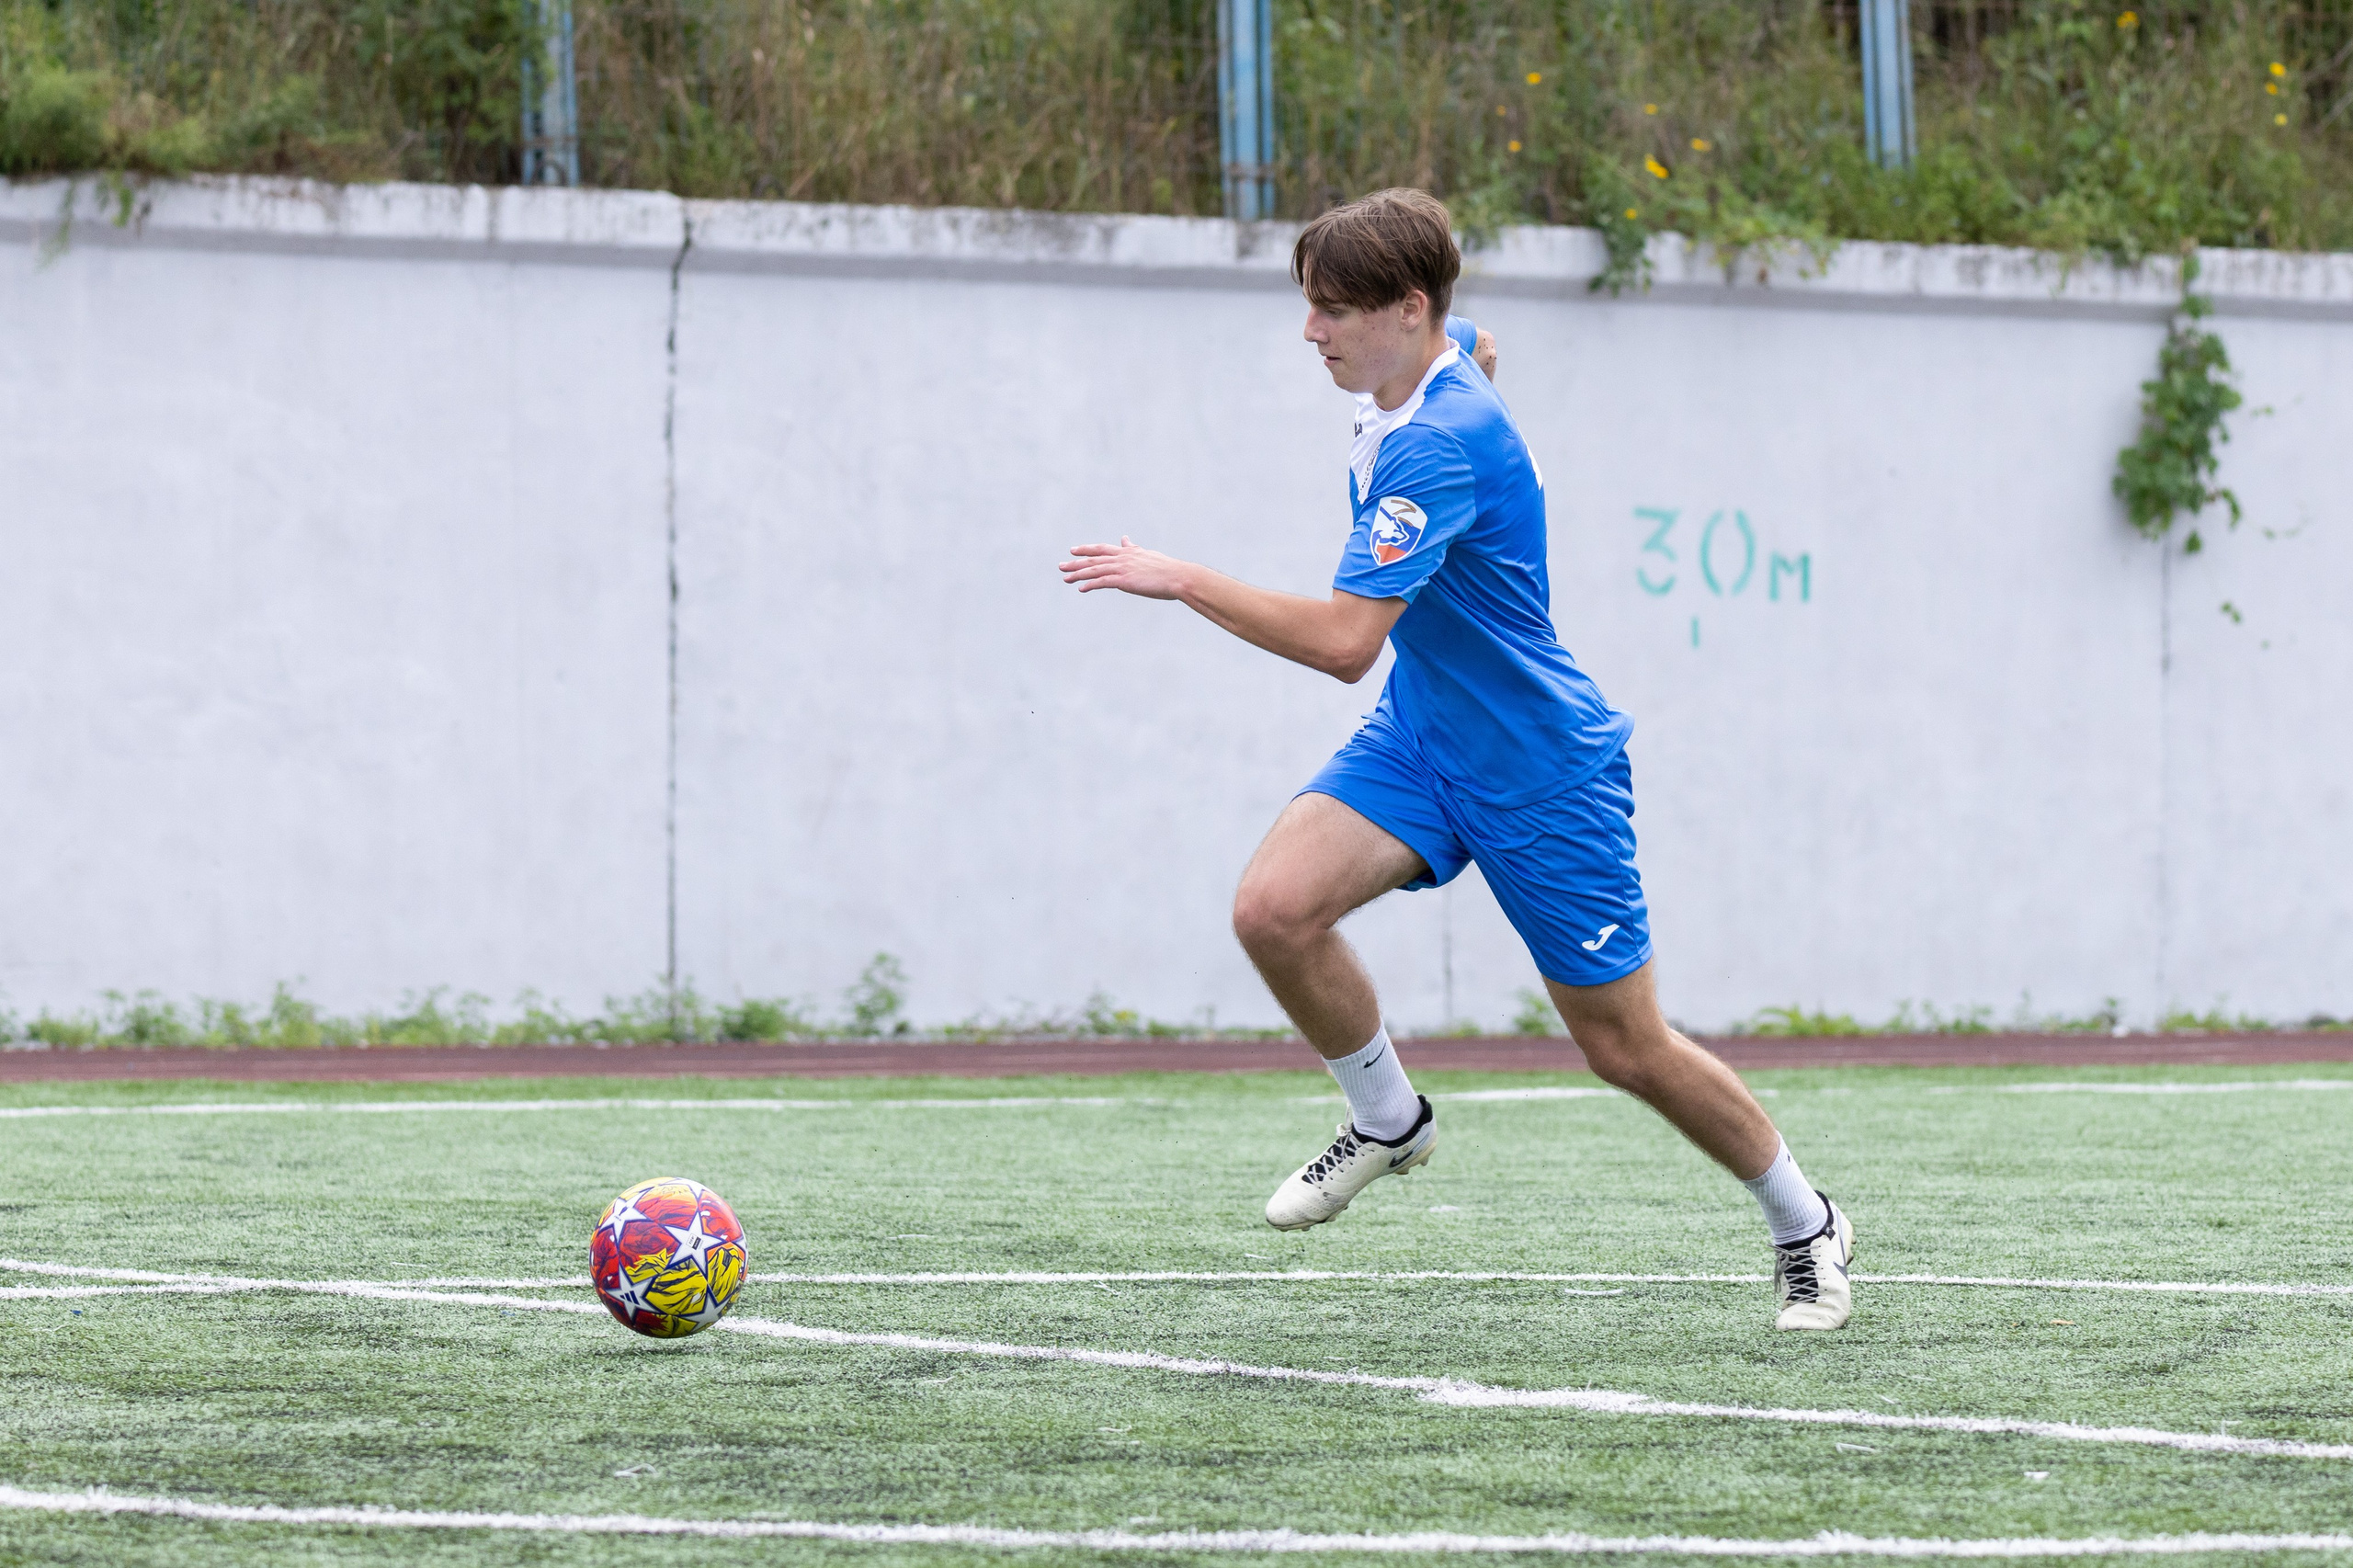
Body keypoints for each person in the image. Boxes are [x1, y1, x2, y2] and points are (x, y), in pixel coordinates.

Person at [1057, 188, 1852, 1331]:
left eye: (1332, 310)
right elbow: (1478, 345)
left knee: (1625, 1048)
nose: (1309, 332)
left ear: (1406, 307)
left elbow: (1342, 643)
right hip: (1425, 734)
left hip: (1540, 770)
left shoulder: (1434, 444)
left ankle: (1805, 1221)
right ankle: (1389, 1119)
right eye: (1309, 306)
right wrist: (1472, 347)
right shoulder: (1430, 371)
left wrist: (1181, 577)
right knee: (1274, 909)